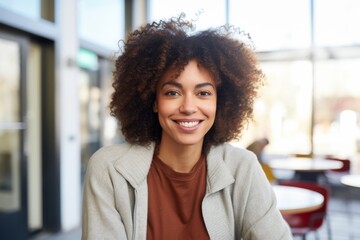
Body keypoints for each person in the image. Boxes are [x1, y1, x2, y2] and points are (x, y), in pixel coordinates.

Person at [82, 14, 292, 240]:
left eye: (203, 93)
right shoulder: (109, 169)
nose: (189, 107)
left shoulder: (243, 167)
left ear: (219, 102)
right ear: (153, 101)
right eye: (173, 92)